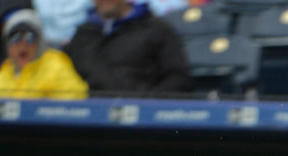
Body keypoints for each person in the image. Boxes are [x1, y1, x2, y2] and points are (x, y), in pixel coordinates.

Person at [64, 0, 192, 96]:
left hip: (145, 121)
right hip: (87, 119)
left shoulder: (157, 29)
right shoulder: (82, 35)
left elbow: (178, 78)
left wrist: (149, 103)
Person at [0, 9, 89, 99]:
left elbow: (75, 105)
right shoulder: (2, 76)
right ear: (7, 44)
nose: (22, 46)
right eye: (15, 38)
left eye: (30, 38)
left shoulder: (55, 67)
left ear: (40, 42)